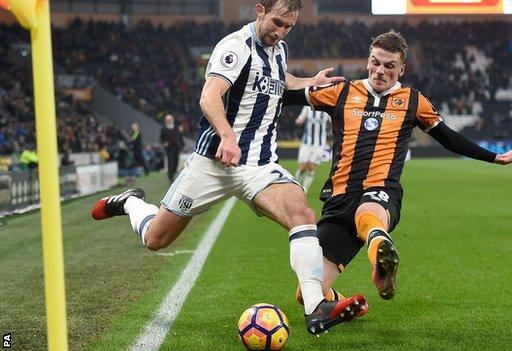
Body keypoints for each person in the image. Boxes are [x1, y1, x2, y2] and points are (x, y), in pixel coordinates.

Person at [90, 0, 366, 335]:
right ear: (259, 10)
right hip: (214, 163)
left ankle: (315, 307)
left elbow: (279, 79)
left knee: (303, 215)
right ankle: (130, 201)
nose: (280, 32)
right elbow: (209, 97)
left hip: (260, 166)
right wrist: (227, 136)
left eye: (289, 26)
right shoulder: (234, 46)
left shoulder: (279, 49)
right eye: (277, 22)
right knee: (156, 239)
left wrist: (308, 82)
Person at [284, 30, 512, 307]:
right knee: (306, 293)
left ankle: (382, 252)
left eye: (389, 66)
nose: (380, 71)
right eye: (375, 62)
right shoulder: (341, 92)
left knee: (368, 216)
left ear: (401, 68)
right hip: (339, 199)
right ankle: (350, 305)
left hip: (380, 191)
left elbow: (449, 138)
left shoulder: (414, 101)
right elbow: (284, 97)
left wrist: (495, 157)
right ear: (368, 61)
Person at [294, 106, 330, 191]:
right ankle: (295, 186)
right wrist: (298, 121)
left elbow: (333, 120)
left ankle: (305, 189)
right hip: (307, 143)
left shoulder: (326, 109)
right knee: (302, 167)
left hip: (319, 144)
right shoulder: (307, 107)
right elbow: (300, 119)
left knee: (312, 167)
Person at [160, 114, 184, 182]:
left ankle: (172, 173)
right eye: (167, 120)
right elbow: (161, 139)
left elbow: (180, 137)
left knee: (176, 162)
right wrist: (164, 143)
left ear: (172, 120)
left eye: (170, 119)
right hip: (169, 148)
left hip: (176, 147)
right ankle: (170, 177)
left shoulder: (177, 127)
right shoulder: (163, 129)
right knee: (171, 162)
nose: (169, 121)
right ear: (165, 121)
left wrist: (182, 145)